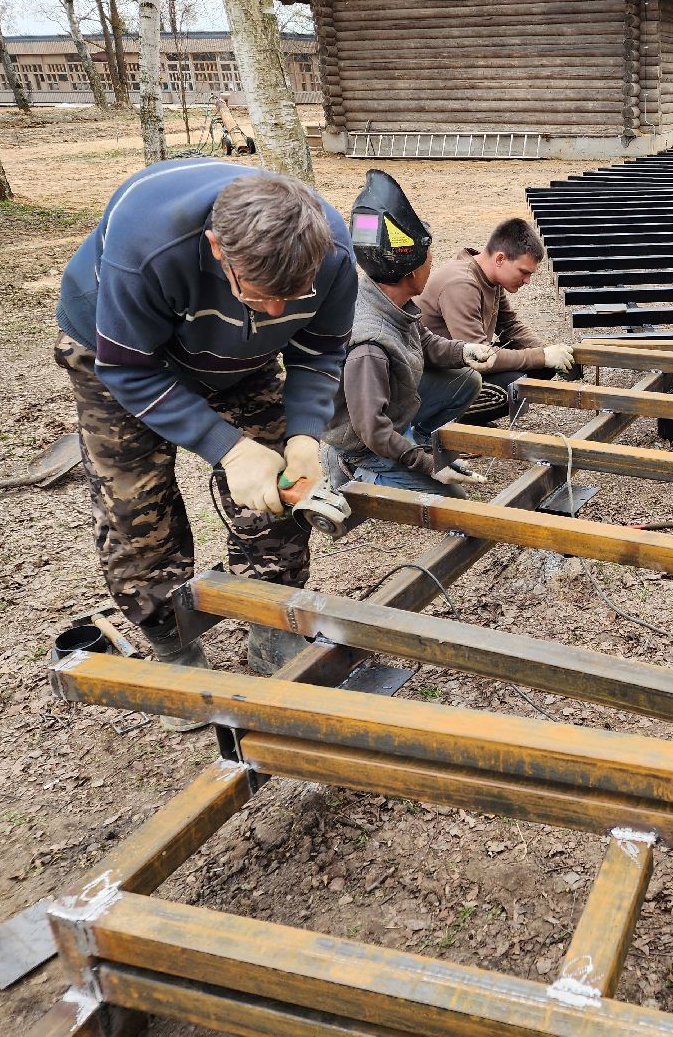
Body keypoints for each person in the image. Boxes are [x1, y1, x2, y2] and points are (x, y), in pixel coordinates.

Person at [54, 160, 358, 686]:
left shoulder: (332, 252)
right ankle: (170, 638)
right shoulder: (149, 244)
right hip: (120, 355)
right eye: (261, 294)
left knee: (277, 487)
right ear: (219, 248)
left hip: (241, 357)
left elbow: (319, 351)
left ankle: (270, 623)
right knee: (135, 505)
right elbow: (128, 367)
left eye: (294, 294)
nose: (278, 308)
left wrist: (305, 434)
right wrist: (232, 450)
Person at [321, 170, 495, 498]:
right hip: (364, 444)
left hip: (385, 415)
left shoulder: (386, 297)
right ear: (412, 269)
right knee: (453, 500)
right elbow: (372, 430)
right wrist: (428, 465)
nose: (433, 265)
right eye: (429, 258)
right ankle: (351, 473)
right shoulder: (369, 347)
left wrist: (462, 351)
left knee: (465, 379)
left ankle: (411, 441)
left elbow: (424, 340)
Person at [417, 218, 575, 408]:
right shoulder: (461, 284)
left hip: (456, 367)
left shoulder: (488, 276)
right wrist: (540, 355)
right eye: (524, 272)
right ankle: (453, 422)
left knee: (542, 368)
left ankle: (469, 419)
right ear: (500, 258)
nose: (527, 281)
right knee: (513, 386)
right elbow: (478, 357)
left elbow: (511, 326)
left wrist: (550, 352)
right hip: (427, 381)